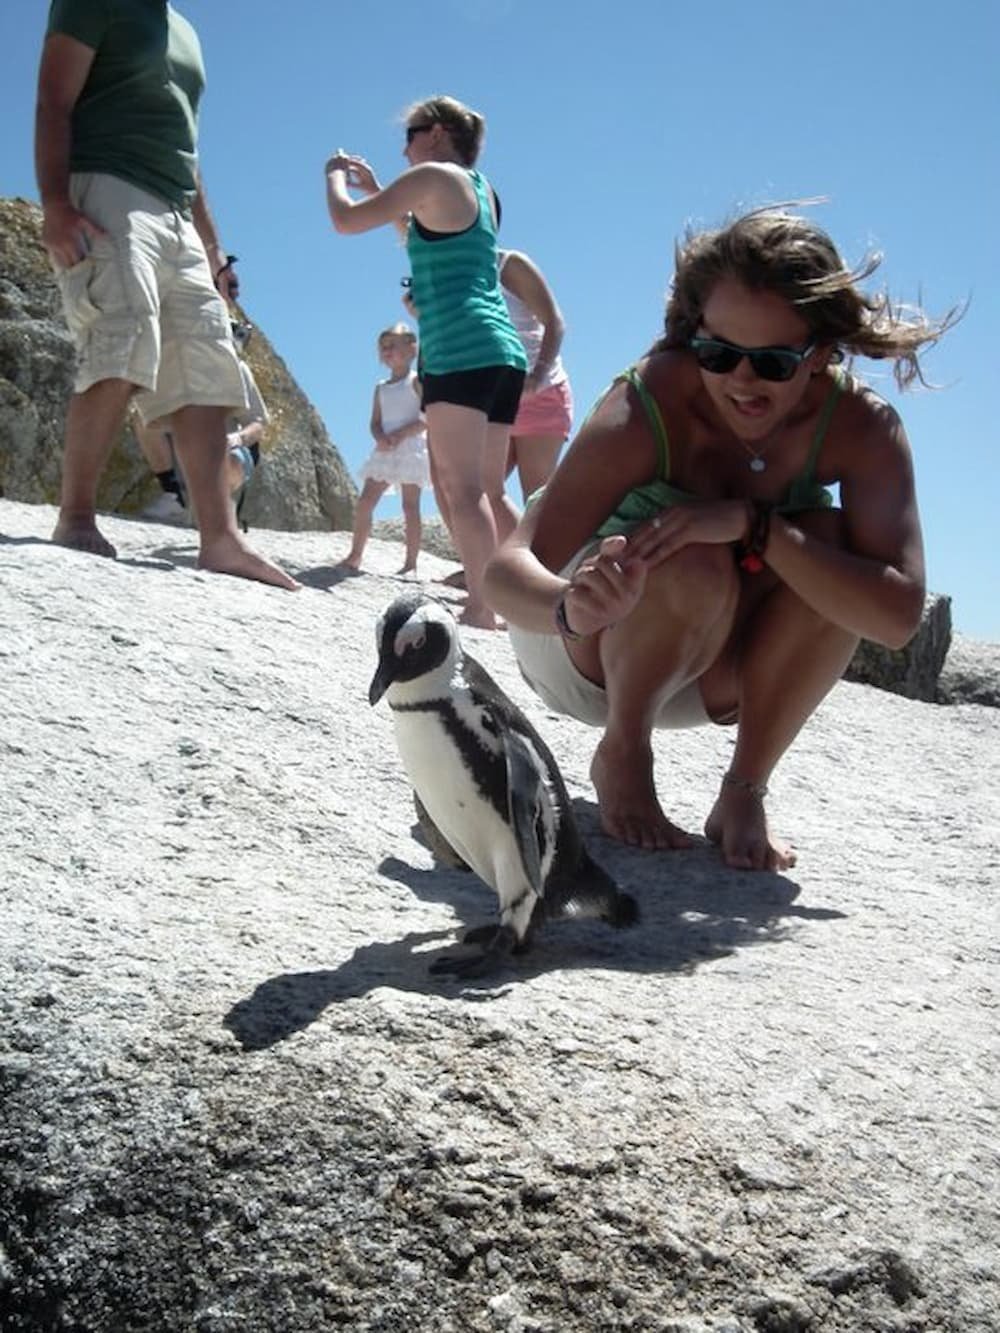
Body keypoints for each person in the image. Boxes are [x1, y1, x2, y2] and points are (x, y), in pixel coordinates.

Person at [484, 208, 956, 871]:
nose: (740, 379)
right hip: (575, 647)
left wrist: (755, 523)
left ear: (819, 356)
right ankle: (624, 751)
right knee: (695, 554)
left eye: (771, 362)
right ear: (692, 335)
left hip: (710, 672)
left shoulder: (862, 429)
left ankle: (744, 790)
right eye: (718, 352)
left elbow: (897, 616)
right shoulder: (652, 400)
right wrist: (570, 603)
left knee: (824, 540)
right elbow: (505, 571)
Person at [35, 0, 297, 590]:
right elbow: (54, 101)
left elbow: (188, 151)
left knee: (207, 366)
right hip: (107, 184)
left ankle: (220, 538)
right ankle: (75, 514)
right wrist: (55, 203)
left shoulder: (185, 30)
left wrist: (214, 251)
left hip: (176, 212)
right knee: (122, 337)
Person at [325, 95, 528, 629]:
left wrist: (334, 177)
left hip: (458, 347)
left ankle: (483, 607)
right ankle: (527, 595)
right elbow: (425, 241)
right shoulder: (480, 190)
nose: (405, 149)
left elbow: (344, 222)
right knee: (487, 488)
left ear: (436, 134)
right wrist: (379, 192)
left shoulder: (434, 175)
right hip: (501, 350)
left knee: (458, 489)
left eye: (410, 135)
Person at [137, 320, 268, 525]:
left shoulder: (240, 371)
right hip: (186, 445)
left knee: (231, 458)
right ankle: (175, 496)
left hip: (226, 450)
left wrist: (237, 438)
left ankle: (219, 507)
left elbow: (257, 424)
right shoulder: (180, 366)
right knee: (143, 418)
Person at [340, 322, 429, 574]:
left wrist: (402, 434)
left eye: (392, 345)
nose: (387, 351)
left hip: (411, 448)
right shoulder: (381, 387)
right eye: (383, 347)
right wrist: (379, 436)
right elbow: (375, 421)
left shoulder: (415, 382)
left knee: (410, 506)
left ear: (412, 349)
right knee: (366, 501)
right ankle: (355, 555)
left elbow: (428, 417)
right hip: (385, 449)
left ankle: (410, 563)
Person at [499, 249, 574, 502]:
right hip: (493, 400)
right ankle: (510, 542)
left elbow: (554, 321)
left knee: (536, 498)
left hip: (539, 394)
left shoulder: (509, 265)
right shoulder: (458, 275)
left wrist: (538, 373)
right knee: (478, 492)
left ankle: (544, 542)